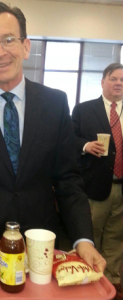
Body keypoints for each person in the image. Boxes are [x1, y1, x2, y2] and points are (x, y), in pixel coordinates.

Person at [0, 1, 106, 288]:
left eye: (8, 40)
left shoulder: (55, 103)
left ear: (26, 46)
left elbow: (68, 181)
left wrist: (83, 239)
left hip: (40, 249)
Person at [72, 63, 123, 300]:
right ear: (102, 81)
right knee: (89, 236)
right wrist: (85, 146)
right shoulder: (84, 110)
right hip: (94, 186)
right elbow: (68, 140)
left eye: (122, 80)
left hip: (121, 188)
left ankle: (111, 283)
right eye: (114, 79)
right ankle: (88, 282)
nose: (119, 83)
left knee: (116, 238)